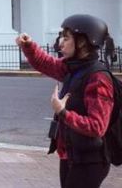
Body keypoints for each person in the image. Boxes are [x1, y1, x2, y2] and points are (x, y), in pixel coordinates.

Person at [16, 15, 115, 188]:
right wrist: (28, 46)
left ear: (83, 42)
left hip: (90, 161)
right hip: (71, 155)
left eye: (66, 38)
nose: (60, 42)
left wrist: (63, 112)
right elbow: (46, 63)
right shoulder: (73, 67)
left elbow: (97, 126)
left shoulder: (98, 78)